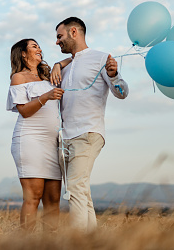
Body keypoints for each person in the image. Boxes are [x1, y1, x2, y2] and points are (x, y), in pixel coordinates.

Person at [51, 17, 129, 233]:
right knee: (81, 191)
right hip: (65, 138)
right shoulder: (64, 67)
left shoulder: (102, 58)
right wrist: (58, 64)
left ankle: (76, 242)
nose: (57, 42)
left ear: (73, 32)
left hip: (88, 133)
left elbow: (121, 93)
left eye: (60, 36)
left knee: (75, 188)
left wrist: (113, 75)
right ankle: (92, 241)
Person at [6, 38, 65, 231]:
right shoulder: (18, 78)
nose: (39, 49)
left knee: (53, 199)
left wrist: (58, 63)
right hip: (29, 139)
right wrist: (46, 96)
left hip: (52, 143)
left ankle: (50, 244)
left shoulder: (48, 76)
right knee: (34, 196)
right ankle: (25, 243)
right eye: (34, 46)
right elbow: (24, 111)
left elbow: (74, 59)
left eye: (39, 46)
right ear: (23, 53)